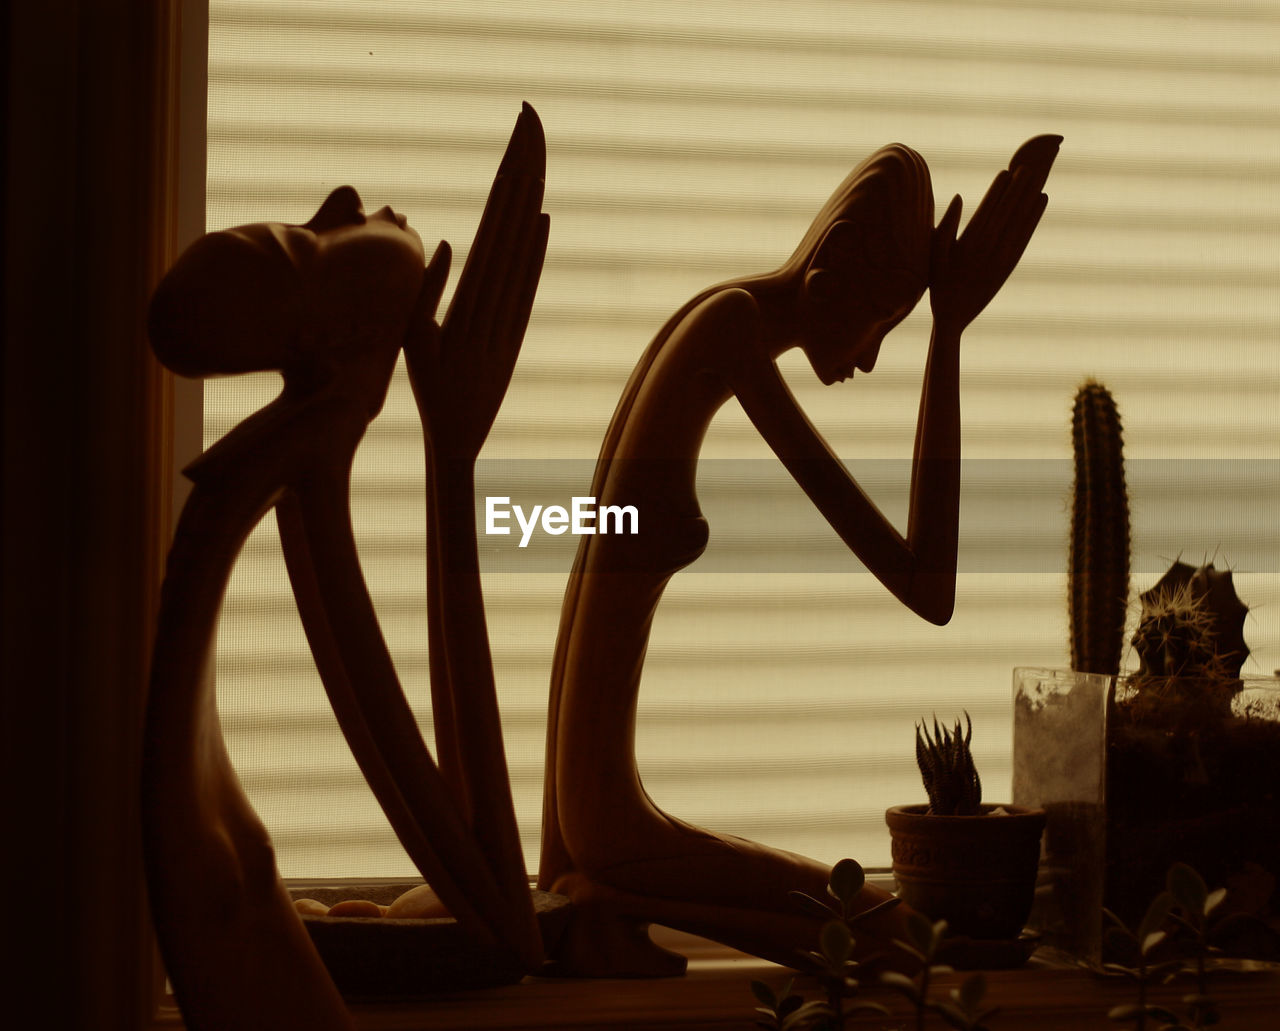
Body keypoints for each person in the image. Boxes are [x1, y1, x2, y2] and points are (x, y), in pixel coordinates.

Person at [539, 137, 1060, 974]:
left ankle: (620, 896)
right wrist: (949, 335)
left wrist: (556, 867)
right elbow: (927, 582)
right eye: (879, 323)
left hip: (592, 816)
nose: (869, 354)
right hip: (607, 821)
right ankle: (626, 893)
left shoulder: (716, 314)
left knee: (877, 923)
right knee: (887, 928)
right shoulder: (733, 328)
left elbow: (578, 615)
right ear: (827, 281)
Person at [143, 105, 549, 1030]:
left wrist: (452, 460)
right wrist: (451, 465)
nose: (342, 207)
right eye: (308, 248)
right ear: (331, 346)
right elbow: (498, 912)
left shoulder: (274, 467)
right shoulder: (288, 471)